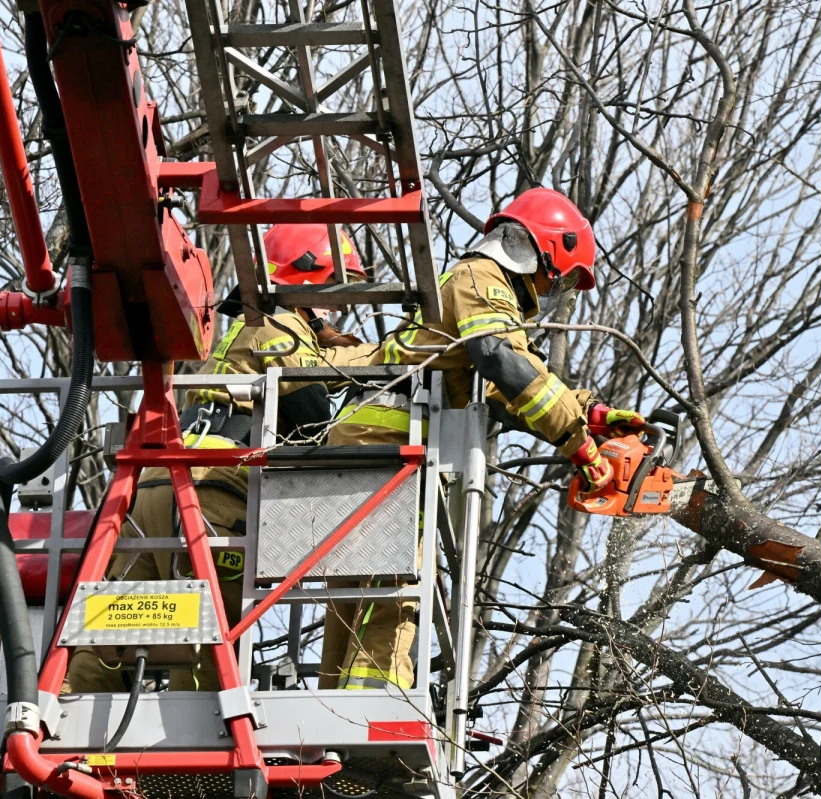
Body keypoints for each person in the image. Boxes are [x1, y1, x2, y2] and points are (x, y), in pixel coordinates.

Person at [319, 188, 644, 691]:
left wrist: (591, 414)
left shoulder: (477, 291)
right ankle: (378, 707)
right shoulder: (481, 278)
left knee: (361, 591)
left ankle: (337, 709)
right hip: (388, 443)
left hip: (379, 441)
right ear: (544, 252)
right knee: (395, 589)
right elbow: (502, 360)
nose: (555, 290)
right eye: (562, 278)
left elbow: (498, 391)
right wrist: (576, 441)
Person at [69, 224, 378, 692]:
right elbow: (310, 412)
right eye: (334, 291)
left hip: (154, 491)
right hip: (212, 498)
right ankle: (197, 736)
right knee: (207, 653)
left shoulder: (248, 329)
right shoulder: (281, 327)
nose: (336, 309)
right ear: (306, 277)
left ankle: (59, 715)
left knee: (107, 638)